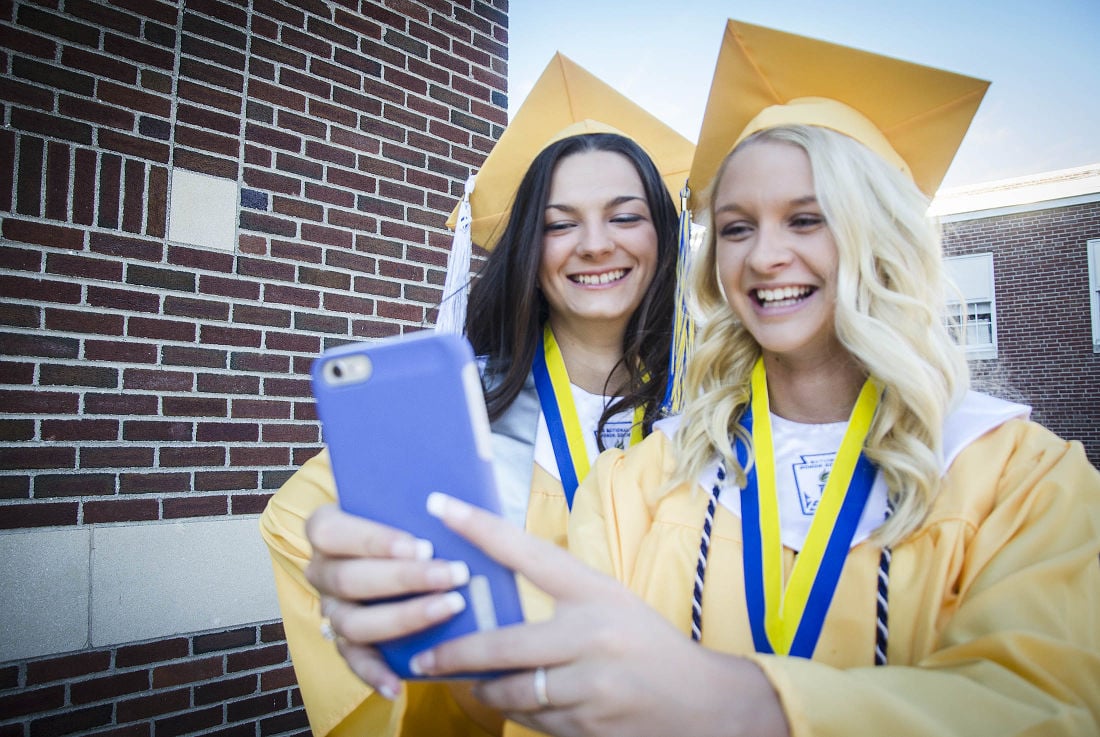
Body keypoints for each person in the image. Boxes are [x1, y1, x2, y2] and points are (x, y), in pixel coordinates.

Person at [305, 20, 1100, 737]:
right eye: (737, 227)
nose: (765, 255)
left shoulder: (1025, 478)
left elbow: (1055, 700)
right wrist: (427, 640)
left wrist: (743, 704)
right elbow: (539, 690)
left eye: (807, 217)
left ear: (882, 236)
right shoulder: (638, 481)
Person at [259, 51, 694, 737]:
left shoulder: (709, 409)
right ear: (527, 248)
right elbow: (296, 520)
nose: (594, 244)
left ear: (665, 235)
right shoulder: (459, 413)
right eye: (559, 223)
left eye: (624, 216)